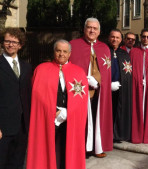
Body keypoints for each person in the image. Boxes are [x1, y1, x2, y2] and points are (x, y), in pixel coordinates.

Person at [26, 40, 88, 169]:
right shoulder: (41, 69)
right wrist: (53, 111)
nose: (61, 54)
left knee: (66, 150)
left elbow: (82, 99)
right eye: (58, 50)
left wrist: (67, 112)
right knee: (48, 148)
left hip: (69, 119)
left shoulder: (79, 72)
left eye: (65, 51)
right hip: (49, 117)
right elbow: (37, 96)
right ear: (54, 51)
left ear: (70, 54)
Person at [69, 18, 112, 157]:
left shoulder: (104, 48)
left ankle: (96, 147)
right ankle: (81, 149)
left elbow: (106, 72)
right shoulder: (73, 45)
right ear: (84, 29)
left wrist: (98, 81)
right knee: (82, 121)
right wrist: (85, 80)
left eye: (95, 28)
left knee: (96, 119)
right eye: (89, 27)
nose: (92, 30)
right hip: (79, 91)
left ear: (99, 32)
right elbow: (69, 69)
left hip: (98, 92)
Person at [0, 28, 32, 169]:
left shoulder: (27, 67)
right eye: (7, 41)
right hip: (3, 127)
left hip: (22, 126)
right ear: (2, 43)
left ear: (20, 45)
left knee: (18, 163)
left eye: (14, 42)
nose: (11, 44)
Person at [108, 29, 132, 142]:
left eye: (117, 38)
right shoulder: (104, 50)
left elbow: (127, 72)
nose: (115, 39)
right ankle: (107, 134)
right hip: (107, 88)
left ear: (121, 40)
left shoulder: (124, 54)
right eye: (113, 37)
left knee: (119, 111)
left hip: (120, 88)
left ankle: (117, 135)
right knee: (108, 111)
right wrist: (108, 84)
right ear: (109, 37)